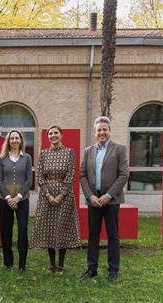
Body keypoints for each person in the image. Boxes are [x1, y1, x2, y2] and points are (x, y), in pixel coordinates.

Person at [80, 116, 128, 281]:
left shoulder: (119, 149)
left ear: (110, 131)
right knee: (93, 235)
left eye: (104, 129)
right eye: (99, 130)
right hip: (94, 200)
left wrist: (108, 195)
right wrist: (90, 196)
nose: (102, 132)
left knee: (113, 235)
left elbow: (123, 175)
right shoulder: (88, 151)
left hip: (111, 200)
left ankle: (113, 270)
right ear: (94, 132)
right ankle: (91, 269)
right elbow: (83, 176)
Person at [31, 125, 80, 274]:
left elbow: (71, 175)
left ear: (61, 135)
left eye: (56, 133)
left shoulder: (69, 152)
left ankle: (61, 265)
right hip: (46, 196)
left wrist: (60, 195)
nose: (53, 135)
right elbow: (39, 176)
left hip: (64, 196)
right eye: (50, 133)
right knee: (49, 228)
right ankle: (52, 265)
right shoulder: (43, 154)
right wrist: (48, 195)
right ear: (48, 137)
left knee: (62, 227)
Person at [0, 130, 33, 272]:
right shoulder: (2, 158)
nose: (15, 140)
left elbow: (29, 179)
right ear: (8, 141)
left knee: (22, 230)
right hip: (5, 200)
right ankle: (8, 263)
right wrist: (8, 197)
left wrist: (18, 197)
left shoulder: (27, 158)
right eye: (12, 138)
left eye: (17, 138)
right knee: (6, 231)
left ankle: (22, 264)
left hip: (22, 199)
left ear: (21, 140)